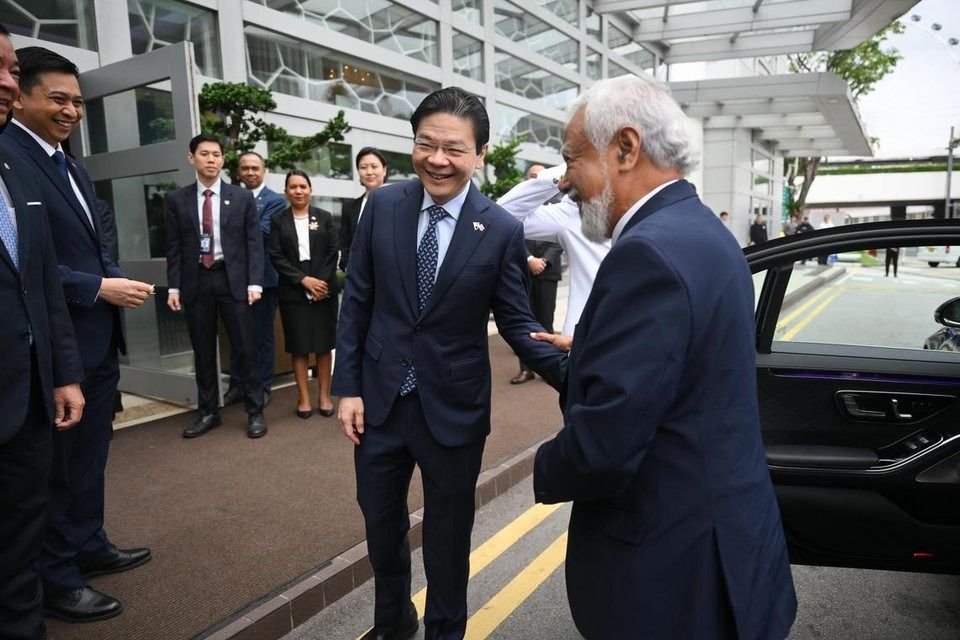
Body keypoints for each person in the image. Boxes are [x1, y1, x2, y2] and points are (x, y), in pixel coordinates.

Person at [530, 76, 797, 640]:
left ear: (626, 149)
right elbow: (686, 365)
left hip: (671, 571)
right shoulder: (703, 232)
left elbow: (604, 446)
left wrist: (543, 465)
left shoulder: (646, 253)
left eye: (571, 157)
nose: (565, 181)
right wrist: (597, 352)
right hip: (726, 547)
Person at [332, 86, 565, 640]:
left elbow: (515, 319)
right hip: (380, 404)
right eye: (425, 144)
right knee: (381, 528)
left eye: (454, 149)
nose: (438, 159)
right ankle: (393, 622)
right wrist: (348, 387)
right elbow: (358, 300)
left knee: (448, 536)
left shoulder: (501, 228)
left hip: (453, 410)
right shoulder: (383, 205)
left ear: (480, 155)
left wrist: (577, 373)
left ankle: (444, 630)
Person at [0, 45, 154, 624]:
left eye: (78, 102)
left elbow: (90, 247)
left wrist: (111, 279)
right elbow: (27, 267)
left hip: (93, 342)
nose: (71, 112)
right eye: (58, 99)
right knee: (58, 469)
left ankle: (89, 545)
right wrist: (94, 288)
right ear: (25, 96)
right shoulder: (10, 156)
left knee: (90, 459)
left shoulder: (70, 162)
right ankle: (58, 575)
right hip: (53, 349)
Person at [0, 27, 86, 640]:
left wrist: (62, 372)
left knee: (20, 530)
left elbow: (38, 281)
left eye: (8, 68)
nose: (5, 81)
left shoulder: (20, 167)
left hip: (27, 388)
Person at [165, 133, 267, 439]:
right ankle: (208, 412)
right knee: (203, 350)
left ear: (223, 160)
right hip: (196, 281)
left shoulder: (241, 197)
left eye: (217, 155)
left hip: (232, 279)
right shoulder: (176, 199)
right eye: (205, 154)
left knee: (245, 349)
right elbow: (173, 247)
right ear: (191, 158)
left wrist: (255, 282)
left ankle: (255, 411)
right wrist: (173, 288)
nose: (211, 160)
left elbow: (254, 244)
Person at [496, 164, 610, 335]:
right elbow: (501, 217)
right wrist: (562, 174)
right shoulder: (575, 211)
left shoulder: (654, 205)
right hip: (585, 337)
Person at [268, 170, 339, 418]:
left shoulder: (325, 217)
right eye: (293, 187)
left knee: (323, 346)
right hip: (293, 288)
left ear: (311, 190)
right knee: (299, 347)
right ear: (286, 191)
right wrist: (303, 280)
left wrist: (319, 283)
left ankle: (324, 396)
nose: (298, 191)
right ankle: (303, 398)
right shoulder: (278, 220)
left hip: (323, 287)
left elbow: (333, 252)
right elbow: (275, 254)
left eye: (303, 186)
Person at [222, 151, 287, 408]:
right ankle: (238, 384)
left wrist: (231, 229)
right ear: (238, 172)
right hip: (233, 278)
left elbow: (262, 233)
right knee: (237, 335)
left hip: (265, 279)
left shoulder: (274, 201)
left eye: (255, 168)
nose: (250, 172)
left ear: (264, 170)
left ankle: (262, 385)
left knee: (262, 335)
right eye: (245, 168)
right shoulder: (229, 197)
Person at [509, 164, 563, 385]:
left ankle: (550, 367)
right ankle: (526, 369)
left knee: (546, 321)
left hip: (549, 272)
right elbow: (511, 234)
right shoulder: (519, 206)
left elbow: (561, 240)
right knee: (525, 323)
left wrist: (544, 261)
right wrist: (530, 259)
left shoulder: (560, 204)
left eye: (542, 176)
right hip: (524, 272)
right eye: (533, 177)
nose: (538, 180)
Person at [340, 147, 388, 272]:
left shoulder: (398, 204)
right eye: (363, 167)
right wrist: (347, 268)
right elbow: (345, 244)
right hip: (358, 276)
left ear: (384, 170)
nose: (369, 172)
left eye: (374, 166)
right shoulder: (349, 207)